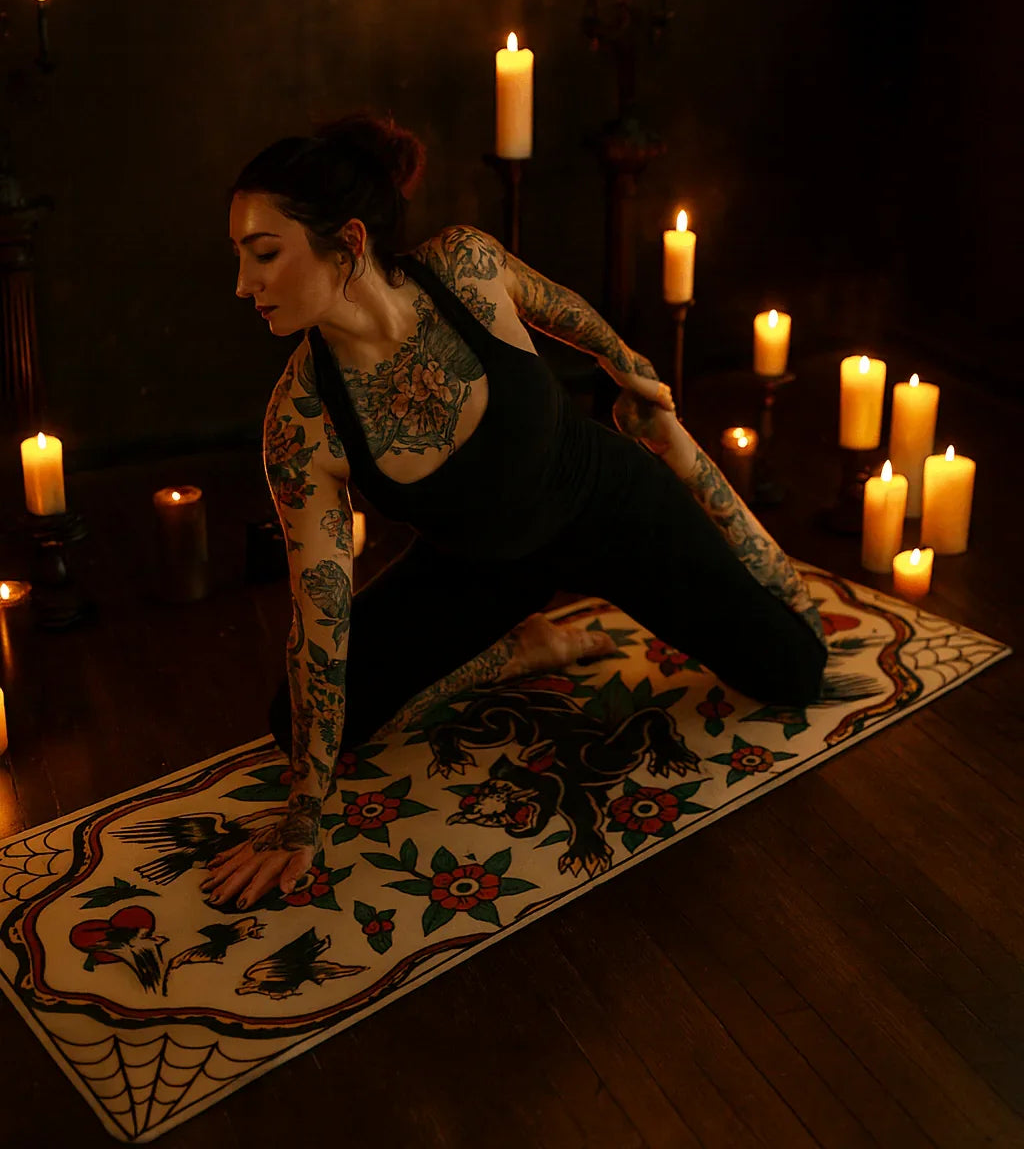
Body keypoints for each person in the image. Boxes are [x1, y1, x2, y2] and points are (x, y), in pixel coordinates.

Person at [204, 112, 827, 911]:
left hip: (606, 505)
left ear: (349, 243)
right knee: (299, 726)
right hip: (478, 564)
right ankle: (517, 649)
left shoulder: (464, 267)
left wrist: (649, 402)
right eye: (239, 258)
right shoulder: (302, 421)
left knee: (793, 672)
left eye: (264, 255)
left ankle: (563, 623)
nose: (243, 285)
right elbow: (320, 627)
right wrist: (302, 817)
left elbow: (582, 325)